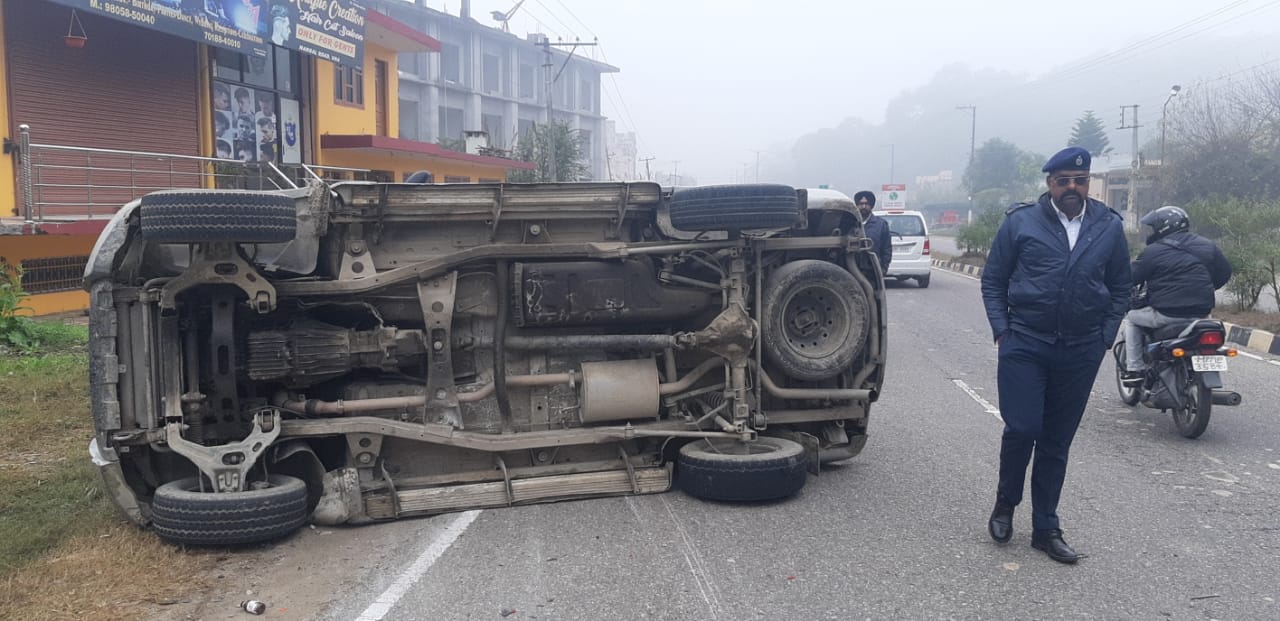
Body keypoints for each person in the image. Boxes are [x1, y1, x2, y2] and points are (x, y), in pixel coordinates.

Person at [980, 146, 1131, 564]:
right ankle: (1005, 503)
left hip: (1080, 349)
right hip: (1025, 343)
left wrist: (1104, 336)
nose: (1072, 187)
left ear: (1088, 184)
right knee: (1023, 426)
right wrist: (1003, 333)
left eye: (1079, 180)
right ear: (1049, 183)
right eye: (1063, 180)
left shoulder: (1108, 227)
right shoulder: (1021, 222)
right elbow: (993, 281)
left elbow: (1121, 286)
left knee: (1056, 441)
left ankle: (1046, 527)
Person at [1121, 206, 1232, 384]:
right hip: (1202, 313)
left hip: (1167, 314)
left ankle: (1135, 369)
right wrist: (1205, 289)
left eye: (1154, 227)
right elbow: (1224, 273)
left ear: (1164, 227)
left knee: (1132, 319)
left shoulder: (1153, 252)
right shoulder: (1208, 246)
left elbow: (1131, 278)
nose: (1152, 231)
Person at [854, 190, 892, 276]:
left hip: (872, 271)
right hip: (853, 270)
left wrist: (883, 269)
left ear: (871, 205)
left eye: (866, 204)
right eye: (861, 204)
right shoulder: (850, 223)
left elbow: (886, 249)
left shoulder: (881, 224)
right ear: (856, 205)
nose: (863, 206)